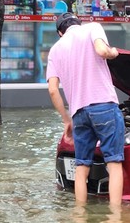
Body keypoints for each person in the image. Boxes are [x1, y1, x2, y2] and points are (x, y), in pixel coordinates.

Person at [47, 12, 124, 209]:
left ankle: (79, 216)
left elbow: (53, 90)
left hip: (78, 114)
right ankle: (115, 218)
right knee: (114, 164)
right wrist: (113, 52)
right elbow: (102, 51)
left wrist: (66, 120)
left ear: (60, 32)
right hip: (104, 105)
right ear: (78, 24)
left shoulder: (55, 50)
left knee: (81, 168)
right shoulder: (92, 28)